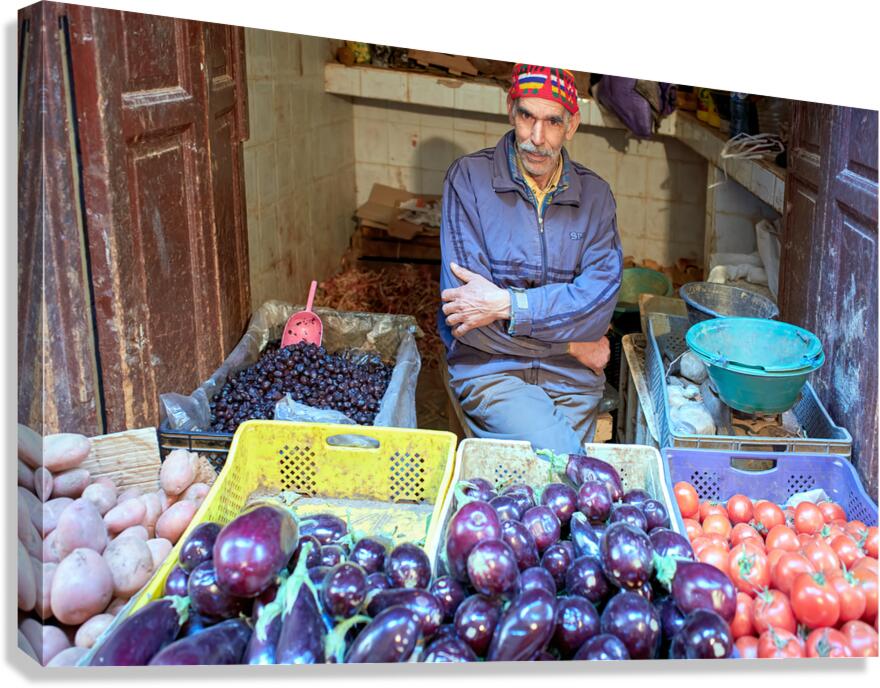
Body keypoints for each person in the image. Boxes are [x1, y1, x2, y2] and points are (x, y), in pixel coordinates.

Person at [438, 63, 623, 455]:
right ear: (511, 110)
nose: (536, 138)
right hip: (491, 372)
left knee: (552, 490)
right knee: (563, 461)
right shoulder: (468, 180)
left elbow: (596, 314)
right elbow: (471, 325)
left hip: (572, 381)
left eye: (553, 122)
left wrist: (507, 304)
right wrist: (571, 345)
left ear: (572, 125)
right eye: (527, 117)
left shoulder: (596, 197)